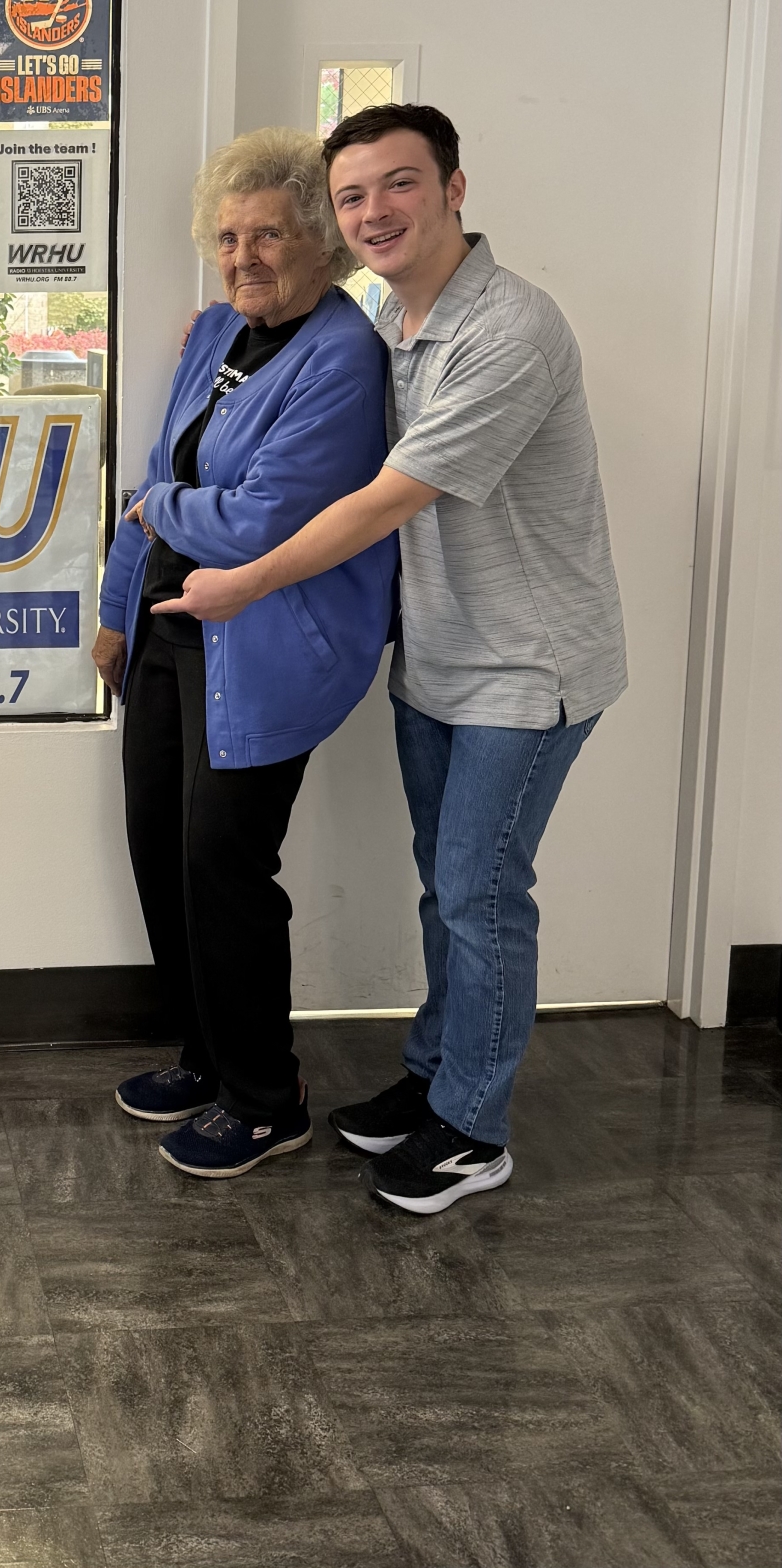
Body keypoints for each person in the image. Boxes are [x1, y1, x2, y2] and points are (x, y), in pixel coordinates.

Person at [156, 103, 625, 1214]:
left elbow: (381, 501)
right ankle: (433, 1075)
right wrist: (214, 333)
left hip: (527, 666)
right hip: (438, 652)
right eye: (353, 194)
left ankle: (472, 1128)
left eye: (399, 184)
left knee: (480, 892)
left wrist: (245, 579)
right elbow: (288, 325)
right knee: (445, 886)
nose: (375, 211)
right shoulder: (393, 315)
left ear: (453, 189)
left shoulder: (507, 332)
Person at [93, 128, 397, 1178]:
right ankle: (205, 1056)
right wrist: (117, 608)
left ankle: (266, 1097)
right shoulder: (217, 330)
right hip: (169, 627)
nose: (243, 257)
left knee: (222, 864)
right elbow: (158, 466)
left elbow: (266, 518)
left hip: (268, 645)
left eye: (267, 234)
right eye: (227, 238)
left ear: (322, 241)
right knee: (159, 848)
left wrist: (161, 508)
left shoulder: (343, 355)